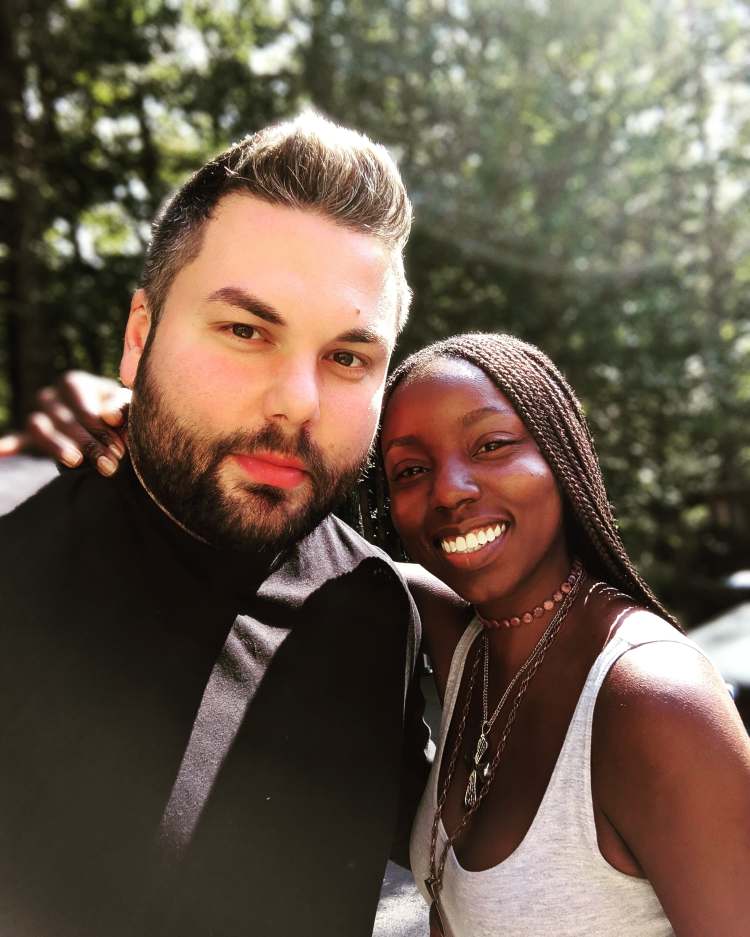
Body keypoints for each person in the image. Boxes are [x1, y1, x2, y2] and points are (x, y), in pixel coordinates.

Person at [0, 112, 456, 937]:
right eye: (246, 330)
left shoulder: (374, 612)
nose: (297, 402)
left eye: (347, 357)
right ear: (139, 337)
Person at [374, 333, 750, 937]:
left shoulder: (652, 698)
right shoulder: (468, 646)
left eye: (491, 445)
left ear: (559, 454)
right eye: (411, 470)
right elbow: (323, 551)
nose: (448, 489)